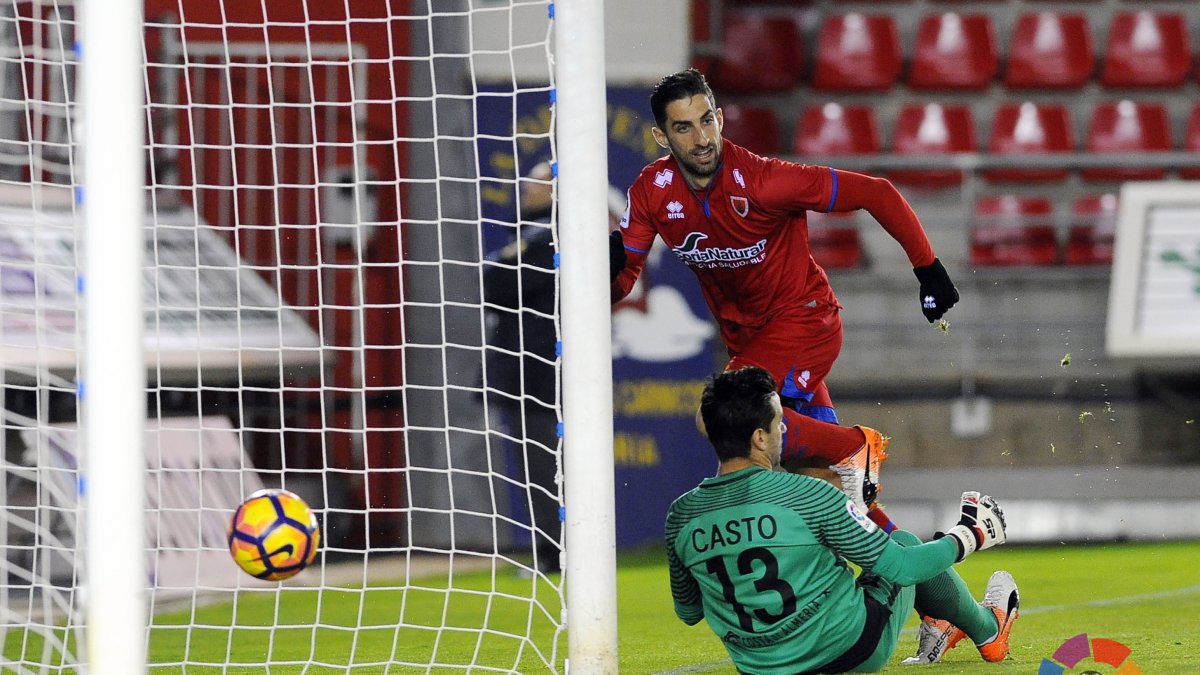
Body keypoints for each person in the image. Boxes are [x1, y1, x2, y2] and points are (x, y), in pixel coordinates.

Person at [610, 69, 961, 530]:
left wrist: (928, 269)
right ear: (661, 135)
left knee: (717, 416)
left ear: (719, 118)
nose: (701, 138)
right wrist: (601, 270)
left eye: (707, 120)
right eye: (684, 127)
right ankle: (934, 592)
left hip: (805, 322)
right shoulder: (653, 192)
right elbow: (624, 282)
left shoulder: (764, 180)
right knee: (826, 488)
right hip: (752, 347)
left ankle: (855, 446)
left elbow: (877, 192)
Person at [664, 367, 1019, 673]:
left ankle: (943, 621)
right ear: (759, 437)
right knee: (904, 545)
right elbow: (902, 567)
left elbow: (689, 611)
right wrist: (970, 534)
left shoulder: (680, 515)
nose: (784, 432)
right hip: (851, 651)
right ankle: (990, 629)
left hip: (760, 667)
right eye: (778, 424)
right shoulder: (806, 494)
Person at [482, 160, 561, 574]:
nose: (525, 188)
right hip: (533, 372)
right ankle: (553, 550)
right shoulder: (532, 234)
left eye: (535, 182)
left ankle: (555, 554)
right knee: (539, 465)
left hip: (537, 373)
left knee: (544, 465)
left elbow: (493, 281)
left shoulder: (547, 236)